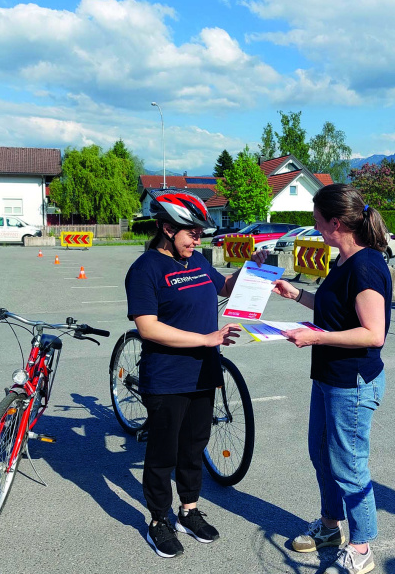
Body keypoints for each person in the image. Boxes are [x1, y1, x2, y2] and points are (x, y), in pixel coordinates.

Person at [124, 189, 268, 558]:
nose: (198, 239)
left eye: (200, 233)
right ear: (167, 228)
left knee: (193, 446)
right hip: (167, 377)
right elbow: (149, 328)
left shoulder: (198, 261)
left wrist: (250, 268)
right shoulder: (145, 270)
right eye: (192, 232)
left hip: (204, 373)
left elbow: (224, 287)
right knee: (162, 454)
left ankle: (188, 508)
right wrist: (206, 338)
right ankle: (158, 519)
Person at [272, 183, 392, 574]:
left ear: (336, 223)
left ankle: (361, 546)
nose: (314, 227)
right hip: (327, 377)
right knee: (321, 455)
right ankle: (330, 527)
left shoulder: (366, 265)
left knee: (349, 465)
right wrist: (296, 296)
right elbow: (332, 308)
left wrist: (316, 336)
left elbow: (374, 333)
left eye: (317, 221)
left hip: (352, 383)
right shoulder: (342, 261)